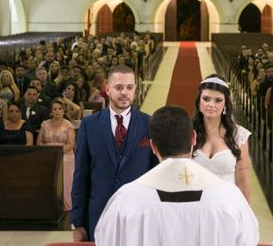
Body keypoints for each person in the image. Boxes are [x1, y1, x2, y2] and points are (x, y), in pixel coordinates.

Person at [94, 105, 259, 246]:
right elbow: (249, 239)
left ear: (153, 146)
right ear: (193, 139)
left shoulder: (126, 199)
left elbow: (105, 239)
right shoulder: (229, 197)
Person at [71, 65, 157, 242]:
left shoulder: (149, 124)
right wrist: (78, 223)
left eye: (129, 87)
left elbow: (155, 174)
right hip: (99, 212)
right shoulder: (89, 125)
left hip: (138, 214)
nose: (124, 92)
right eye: (119, 88)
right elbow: (81, 175)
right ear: (108, 90)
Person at [192, 74, 251, 202]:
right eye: (206, 99)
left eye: (218, 100)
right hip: (196, 207)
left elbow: (243, 179)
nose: (211, 104)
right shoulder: (188, 133)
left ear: (225, 104)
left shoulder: (239, 135)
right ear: (198, 101)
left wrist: (246, 215)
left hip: (228, 205)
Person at [38, 98, 76, 211]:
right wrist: (48, 151)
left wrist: (57, 152)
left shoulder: (68, 125)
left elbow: (71, 144)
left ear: (64, 110)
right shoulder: (45, 124)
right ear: (51, 111)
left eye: (59, 109)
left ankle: (65, 203)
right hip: (48, 154)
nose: (57, 111)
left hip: (65, 154)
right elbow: (39, 142)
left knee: (63, 164)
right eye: (54, 109)